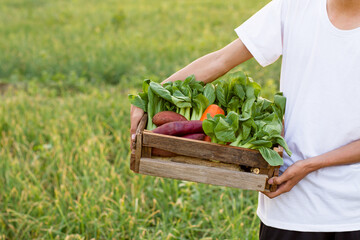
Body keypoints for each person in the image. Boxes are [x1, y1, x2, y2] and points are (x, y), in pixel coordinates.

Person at [130, 0, 360, 239]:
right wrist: (150, 95)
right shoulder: (294, 6)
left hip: (351, 212)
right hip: (289, 206)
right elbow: (220, 60)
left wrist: (311, 165)